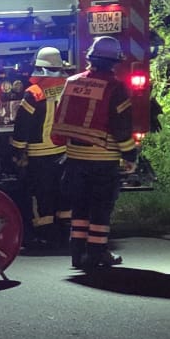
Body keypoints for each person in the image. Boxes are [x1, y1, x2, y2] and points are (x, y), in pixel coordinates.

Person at [51, 34, 138, 274]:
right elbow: (121, 129)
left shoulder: (72, 82)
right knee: (100, 208)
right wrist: (131, 156)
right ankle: (97, 253)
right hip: (103, 160)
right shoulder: (115, 88)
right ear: (114, 62)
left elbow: (60, 119)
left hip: (74, 158)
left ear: (90, 57)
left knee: (79, 208)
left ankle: (78, 254)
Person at [9, 46, 73, 251]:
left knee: (42, 195)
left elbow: (23, 125)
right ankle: (65, 233)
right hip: (64, 151)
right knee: (63, 193)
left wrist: (18, 150)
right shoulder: (70, 87)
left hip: (39, 154)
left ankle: (45, 236)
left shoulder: (33, 93)